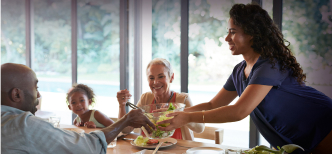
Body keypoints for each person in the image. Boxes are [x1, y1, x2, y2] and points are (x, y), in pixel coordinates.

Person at [157, 3, 332, 154]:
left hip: (322, 124)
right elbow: (213, 105)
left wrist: (187, 118)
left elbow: (239, 111)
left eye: (232, 32)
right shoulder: (239, 71)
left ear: (251, 34)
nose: (227, 38)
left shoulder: (269, 65)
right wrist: (176, 114)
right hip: (296, 140)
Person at [1, 63, 155, 154]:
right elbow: (89, 147)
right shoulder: (25, 125)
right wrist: (127, 119)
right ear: (16, 94)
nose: (39, 94)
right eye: (36, 88)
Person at [117, 58, 204, 140]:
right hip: (150, 150)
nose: (155, 82)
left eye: (161, 76)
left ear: (171, 77)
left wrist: (183, 116)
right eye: (151, 78)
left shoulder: (183, 100)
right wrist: (122, 105)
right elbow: (126, 129)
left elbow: (200, 128)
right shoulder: (145, 99)